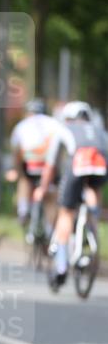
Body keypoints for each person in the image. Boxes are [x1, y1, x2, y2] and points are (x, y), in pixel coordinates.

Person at [34, 101, 107, 287]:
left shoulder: (64, 129)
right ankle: (92, 226)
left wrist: (43, 188)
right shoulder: (100, 130)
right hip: (100, 166)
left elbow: (51, 164)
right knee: (93, 191)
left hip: (79, 165)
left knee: (66, 213)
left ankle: (61, 266)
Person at [7, 98, 62, 237]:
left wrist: (16, 169)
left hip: (31, 164)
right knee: (50, 196)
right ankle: (50, 231)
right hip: (49, 166)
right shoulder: (54, 123)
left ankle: (23, 210)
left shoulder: (21, 125)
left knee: (24, 180)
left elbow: (16, 150)